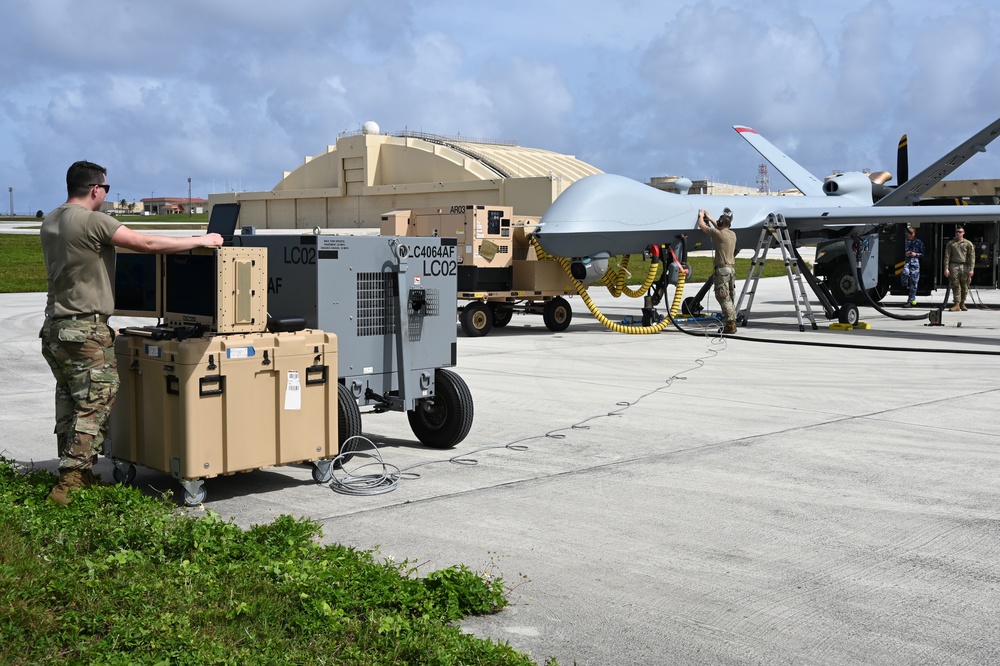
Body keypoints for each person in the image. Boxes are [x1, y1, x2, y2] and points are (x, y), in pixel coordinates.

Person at [39, 161, 225, 505]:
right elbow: (146, 243)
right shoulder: (93, 221)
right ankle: (69, 484)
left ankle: (79, 471)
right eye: (106, 189)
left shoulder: (51, 220)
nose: (106, 195)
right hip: (85, 330)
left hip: (55, 328)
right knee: (95, 404)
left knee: (70, 402)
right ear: (96, 189)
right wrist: (203, 239)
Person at [697, 207, 738, 334]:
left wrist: (701, 216)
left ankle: (731, 324)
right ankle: (730, 322)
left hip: (722, 270)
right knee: (730, 297)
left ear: (721, 223)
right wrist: (710, 218)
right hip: (731, 270)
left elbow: (702, 226)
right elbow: (720, 228)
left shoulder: (718, 234)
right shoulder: (732, 234)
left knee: (723, 297)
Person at [943, 225, 975, 312]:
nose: (958, 233)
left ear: (963, 233)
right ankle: (956, 304)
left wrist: (971, 269)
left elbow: (971, 257)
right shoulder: (951, 243)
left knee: (965, 285)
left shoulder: (968, 244)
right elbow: (947, 256)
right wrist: (946, 268)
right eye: (957, 232)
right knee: (956, 285)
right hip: (954, 266)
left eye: (960, 232)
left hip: (965, 266)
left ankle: (962, 303)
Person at [900, 226, 925, 307]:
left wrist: (916, 254)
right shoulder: (904, 242)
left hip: (915, 264)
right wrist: (905, 253)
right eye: (909, 234)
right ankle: (904, 285)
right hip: (906, 262)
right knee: (905, 273)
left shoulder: (919, 242)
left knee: (914, 283)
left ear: (914, 233)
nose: (910, 235)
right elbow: (899, 252)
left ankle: (911, 300)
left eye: (912, 234)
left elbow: (923, 254)